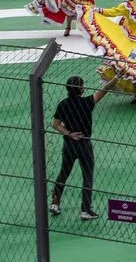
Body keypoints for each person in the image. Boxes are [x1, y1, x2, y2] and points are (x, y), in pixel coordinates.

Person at [50, 75, 112, 219]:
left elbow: (56, 124)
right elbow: (104, 90)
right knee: (87, 176)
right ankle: (85, 210)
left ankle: (55, 202)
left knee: (64, 173)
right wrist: (114, 79)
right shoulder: (87, 102)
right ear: (82, 89)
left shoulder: (63, 104)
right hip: (84, 143)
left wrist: (69, 133)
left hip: (69, 144)